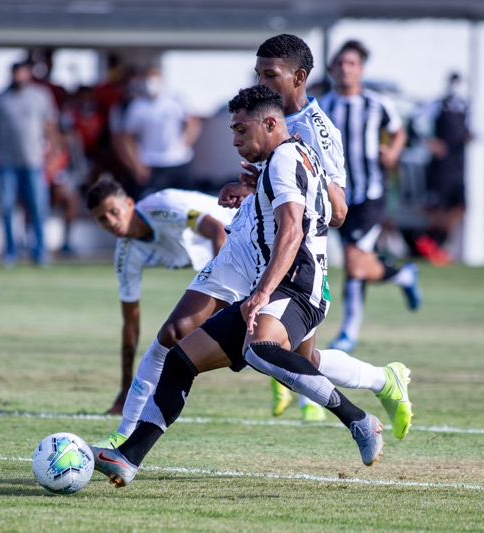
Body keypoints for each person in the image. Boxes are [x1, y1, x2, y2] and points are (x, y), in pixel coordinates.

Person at [92, 34, 412, 449]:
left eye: (269, 74)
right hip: (248, 245)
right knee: (176, 334)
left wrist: (288, 185)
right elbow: (275, 190)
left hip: (290, 258)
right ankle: (127, 439)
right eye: (257, 72)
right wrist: (252, 187)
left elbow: (337, 211)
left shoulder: (317, 129)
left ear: (298, 78)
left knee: (300, 361)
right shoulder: (262, 116)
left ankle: (381, 381)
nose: (261, 80)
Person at [86, 179, 233, 414]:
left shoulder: (163, 207)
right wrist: (124, 389)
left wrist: (221, 287)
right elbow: (131, 325)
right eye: (102, 218)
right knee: (182, 333)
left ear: (130, 204)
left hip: (242, 234)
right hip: (223, 260)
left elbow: (217, 229)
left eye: (114, 212)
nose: (111, 221)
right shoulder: (126, 256)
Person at [318, 40, 421, 354]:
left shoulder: (377, 103)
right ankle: (402, 274)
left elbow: (400, 130)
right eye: (341, 63)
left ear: (360, 70)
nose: (346, 69)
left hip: (371, 193)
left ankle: (348, 333)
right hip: (338, 197)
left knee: (353, 261)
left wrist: (393, 152)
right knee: (357, 263)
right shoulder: (323, 106)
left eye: (352, 64)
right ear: (332, 69)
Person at [0, 60, 59, 266]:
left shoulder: (40, 96)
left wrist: (52, 156)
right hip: (7, 163)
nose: (19, 76)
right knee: (7, 207)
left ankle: (40, 251)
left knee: (38, 208)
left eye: (23, 72)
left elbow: (51, 127)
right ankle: (10, 251)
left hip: (34, 162)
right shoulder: (0, 99)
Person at [116, 67, 201, 195]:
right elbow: (127, 138)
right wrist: (136, 165)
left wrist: (186, 141)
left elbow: (193, 121)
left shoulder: (176, 100)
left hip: (179, 161)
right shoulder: (137, 107)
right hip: (151, 163)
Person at [414, 73, 471, 266]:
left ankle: (435, 244)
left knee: (459, 206)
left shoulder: (466, 105)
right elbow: (417, 122)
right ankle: (428, 244)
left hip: (459, 164)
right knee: (438, 207)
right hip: (441, 166)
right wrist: (430, 142)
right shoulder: (439, 103)